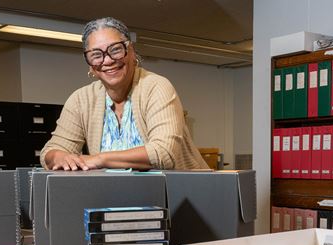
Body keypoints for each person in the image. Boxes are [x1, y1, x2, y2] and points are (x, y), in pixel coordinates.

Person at [40, 17, 208, 171]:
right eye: (96, 55)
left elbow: (163, 153)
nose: (107, 60)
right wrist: (58, 156)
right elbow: (49, 152)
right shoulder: (81, 100)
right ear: (90, 65)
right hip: (118, 197)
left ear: (131, 51)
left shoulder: (155, 87)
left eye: (115, 50)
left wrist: (99, 159)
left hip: (181, 195)